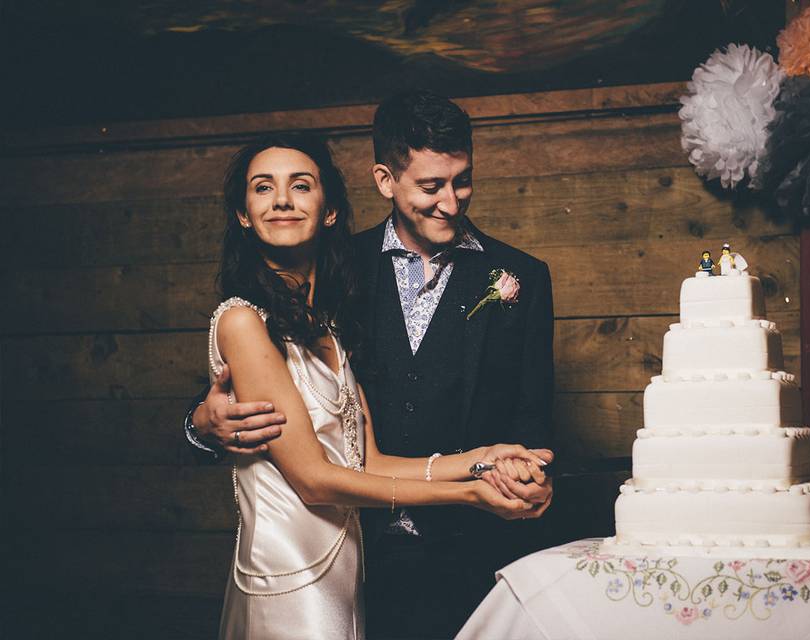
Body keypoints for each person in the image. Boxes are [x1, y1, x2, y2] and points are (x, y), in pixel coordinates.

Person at [187, 90, 556, 638]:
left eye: (462, 181)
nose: (450, 203)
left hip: (471, 553)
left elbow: (533, 416)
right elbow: (247, 398)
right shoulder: (337, 267)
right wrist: (200, 427)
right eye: (430, 187)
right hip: (356, 556)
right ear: (385, 181)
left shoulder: (520, 278)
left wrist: (523, 473)